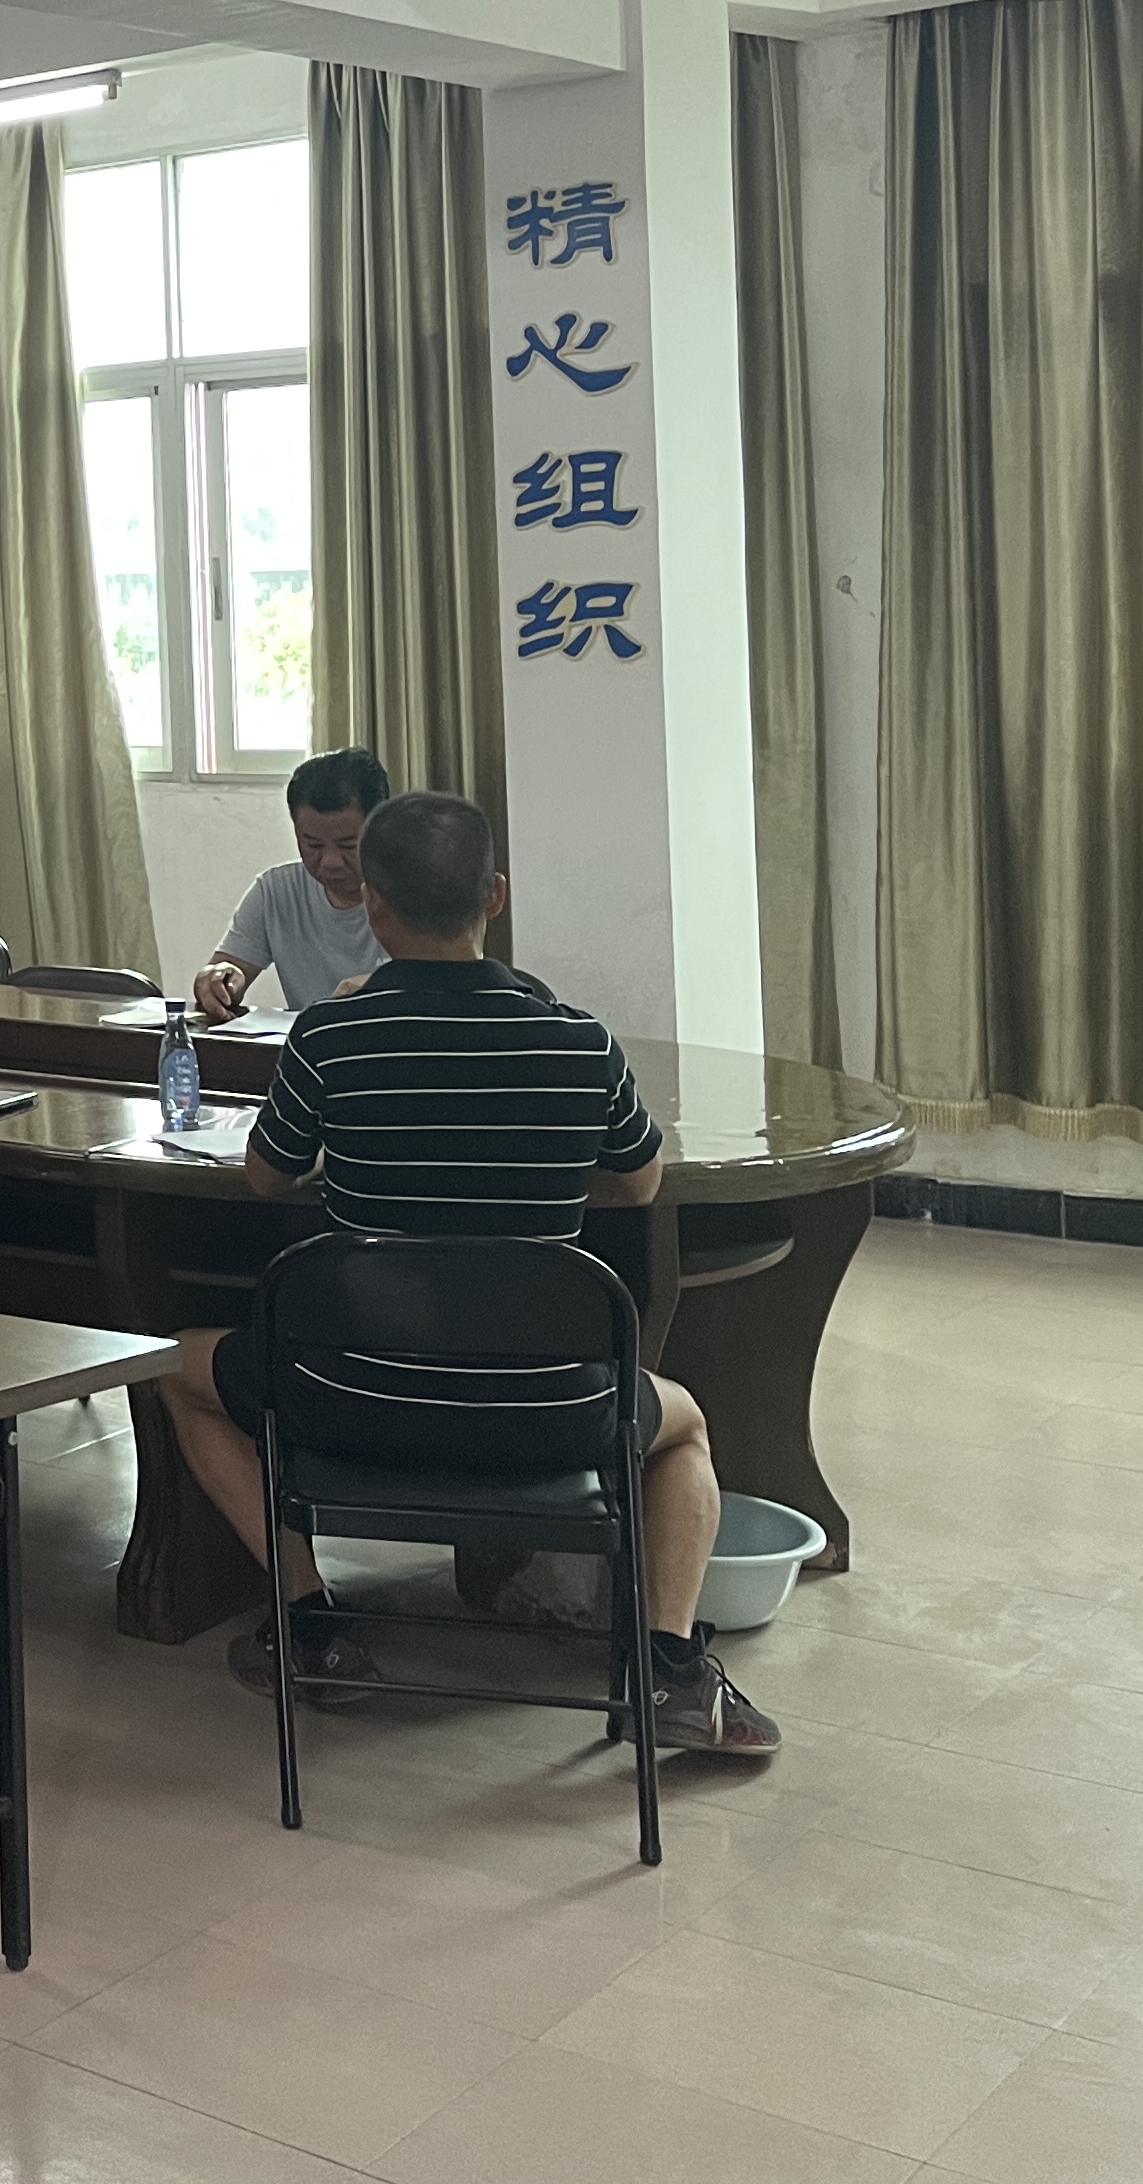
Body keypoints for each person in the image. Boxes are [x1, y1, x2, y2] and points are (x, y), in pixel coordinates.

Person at [156, 792, 781, 1755]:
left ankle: (310, 1621)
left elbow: (266, 1174)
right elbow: (642, 1180)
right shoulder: (578, 1041)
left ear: (372, 905)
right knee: (684, 1425)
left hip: (350, 1398)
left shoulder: (330, 1036)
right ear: (495, 895)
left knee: (172, 1366)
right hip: (551, 1411)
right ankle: (668, 1669)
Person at [194, 745, 395, 1020]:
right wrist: (218, 980)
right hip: (310, 1043)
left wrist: (388, 988)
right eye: (313, 844)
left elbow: (446, 984)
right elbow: (228, 968)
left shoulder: (415, 891)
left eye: (348, 845)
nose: (330, 862)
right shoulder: (275, 893)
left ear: (380, 826)